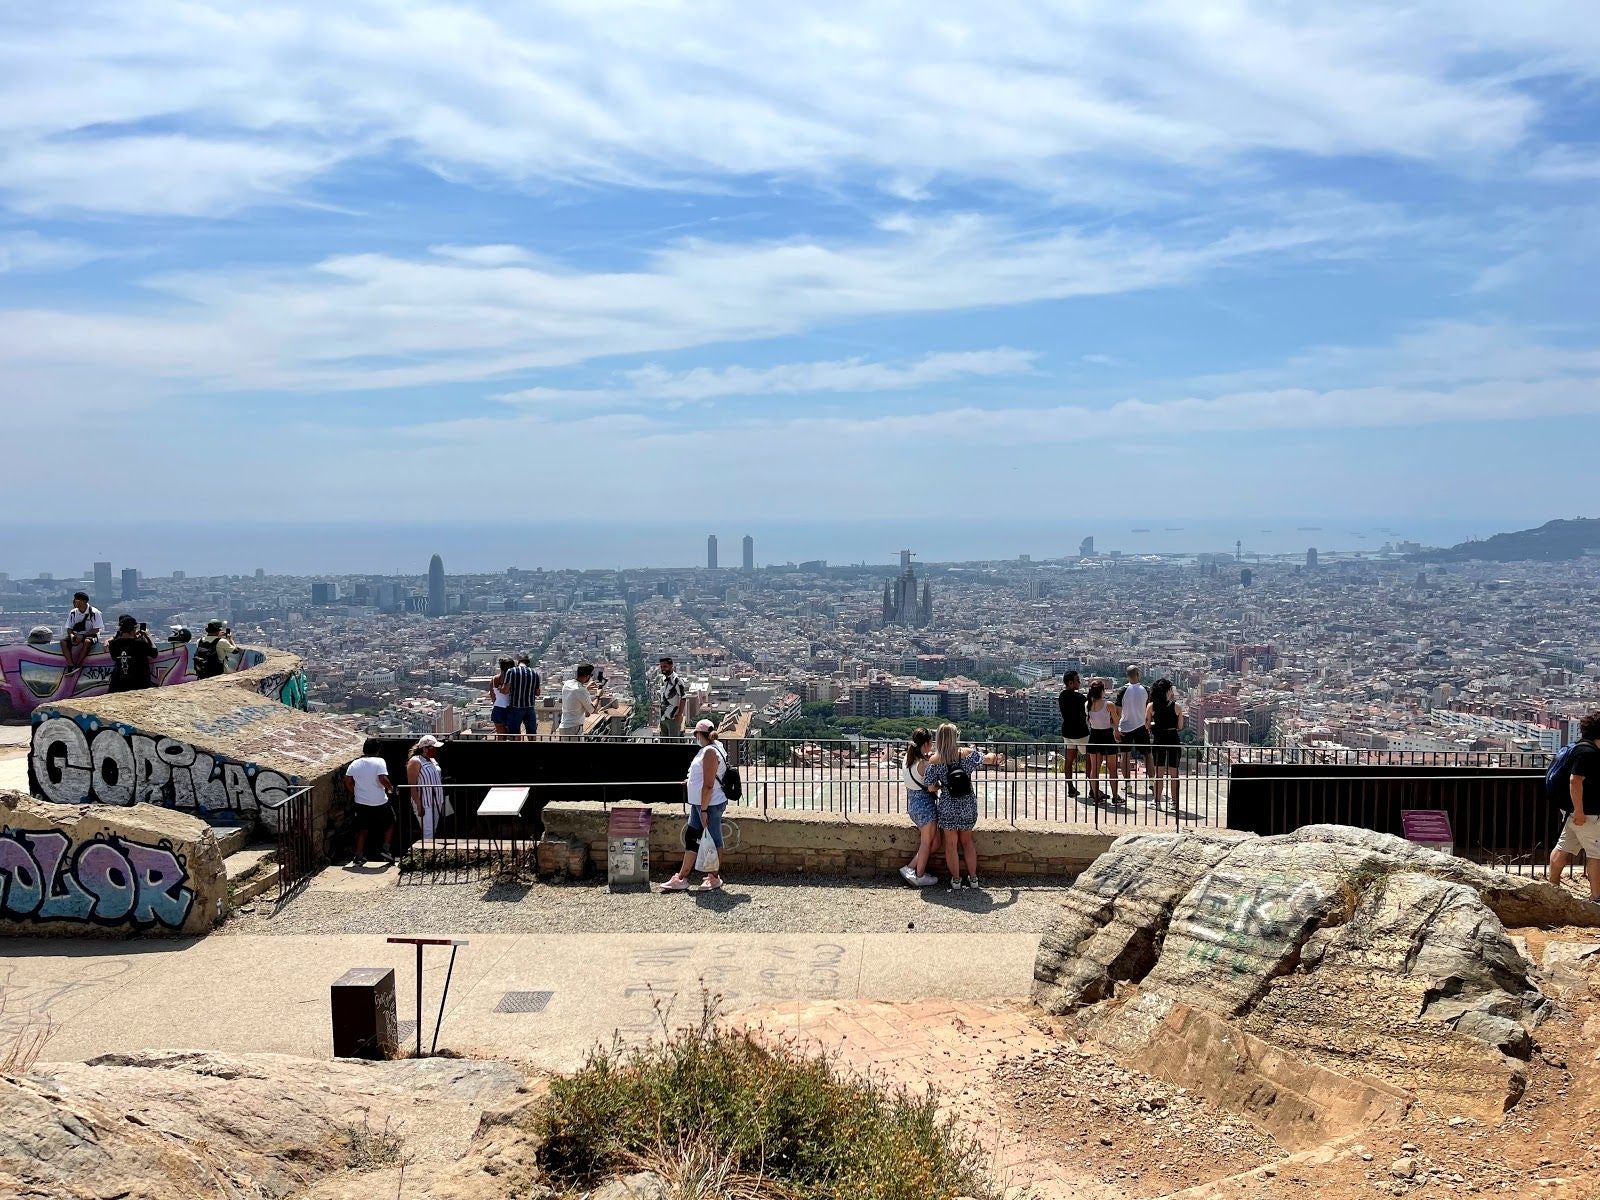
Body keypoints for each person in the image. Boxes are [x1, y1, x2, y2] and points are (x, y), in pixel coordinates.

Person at [921, 723, 1004, 891]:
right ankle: (973, 879)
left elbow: (930, 786)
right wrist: (996, 756)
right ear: (955, 737)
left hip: (947, 806)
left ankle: (956, 880)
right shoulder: (967, 754)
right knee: (967, 842)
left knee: (951, 845)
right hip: (967, 804)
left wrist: (941, 786)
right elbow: (989, 759)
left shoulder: (935, 760)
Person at [661, 718, 728, 892]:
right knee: (692, 838)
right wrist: (690, 782)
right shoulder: (709, 749)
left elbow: (708, 784)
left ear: (699, 734)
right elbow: (702, 776)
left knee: (714, 839)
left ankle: (714, 877)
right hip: (700, 804)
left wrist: (704, 809)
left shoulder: (710, 752)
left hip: (709, 804)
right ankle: (682, 877)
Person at [1550, 711, 1600, 901]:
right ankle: (1597, 898)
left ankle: (1552, 890)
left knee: (1563, 848)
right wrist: (1580, 811)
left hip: (1576, 812)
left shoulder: (1580, 748)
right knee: (1597, 854)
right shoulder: (1588, 753)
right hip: (1587, 814)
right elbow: (1575, 781)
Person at [898, 727, 940, 887]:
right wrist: (939, 785)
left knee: (934, 842)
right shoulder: (923, 764)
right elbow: (931, 787)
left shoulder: (907, 759)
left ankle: (910, 868)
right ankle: (919, 874)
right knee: (926, 842)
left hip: (913, 804)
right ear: (928, 743)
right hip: (925, 805)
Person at [344, 753, 395, 865]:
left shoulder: (355, 763)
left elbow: (348, 781)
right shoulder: (379, 761)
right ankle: (386, 849)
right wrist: (390, 788)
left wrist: (355, 792)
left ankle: (358, 856)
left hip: (361, 802)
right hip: (380, 801)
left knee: (362, 829)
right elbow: (382, 778)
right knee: (390, 823)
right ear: (377, 750)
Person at [1146, 678, 1185, 808]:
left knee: (1159, 773)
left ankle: (1156, 801)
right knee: (1174, 774)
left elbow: (1147, 724)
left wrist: (1155, 724)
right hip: (1173, 739)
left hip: (1159, 740)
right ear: (1168, 691)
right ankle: (1174, 802)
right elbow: (1180, 726)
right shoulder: (1177, 707)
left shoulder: (1151, 706)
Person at [1114, 666, 1151, 796]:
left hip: (1125, 727)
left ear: (1127, 675)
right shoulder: (1146, 689)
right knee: (1147, 754)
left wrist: (1116, 728)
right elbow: (1150, 709)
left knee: (1125, 756)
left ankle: (1127, 784)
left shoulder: (1122, 690)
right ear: (1138, 674)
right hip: (1142, 726)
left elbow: (1117, 712)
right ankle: (1152, 782)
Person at [406, 734, 447, 841]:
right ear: (425, 748)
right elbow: (412, 785)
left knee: (433, 829)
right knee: (427, 831)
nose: (436, 750)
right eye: (433, 748)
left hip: (436, 800)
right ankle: (425, 854)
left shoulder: (433, 760)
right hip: (424, 801)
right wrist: (419, 805)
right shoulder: (415, 761)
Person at [1086, 679, 1120, 803]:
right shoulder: (1108, 704)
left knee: (1094, 769)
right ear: (1101, 691)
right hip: (1107, 736)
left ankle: (1096, 796)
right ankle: (1115, 796)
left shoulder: (1087, 704)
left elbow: (1090, 721)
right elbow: (1116, 721)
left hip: (1094, 736)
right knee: (1112, 769)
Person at [1058, 670, 1089, 799]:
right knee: (1091, 758)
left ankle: (1070, 787)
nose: (1079, 682)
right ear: (1071, 683)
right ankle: (1093, 788)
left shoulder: (1062, 696)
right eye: (1077, 680)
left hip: (1067, 732)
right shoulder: (1081, 698)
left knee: (1069, 760)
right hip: (1081, 732)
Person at [107, 615, 157, 693]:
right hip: (139, 684)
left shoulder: (113, 644)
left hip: (118, 684)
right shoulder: (140, 643)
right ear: (132, 630)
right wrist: (148, 637)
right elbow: (154, 654)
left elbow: (114, 657)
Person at [61, 592, 103, 670]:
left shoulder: (94, 613)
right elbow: (69, 628)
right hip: (77, 634)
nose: (73, 602)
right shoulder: (73, 612)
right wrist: (72, 636)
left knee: (87, 642)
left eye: (75, 600)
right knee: (63, 642)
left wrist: (83, 635)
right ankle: (70, 665)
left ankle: (78, 664)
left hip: (91, 635)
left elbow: (96, 629)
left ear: (83, 601)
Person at [502, 654, 540, 739]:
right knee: (532, 734)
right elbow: (537, 693)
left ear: (518, 662)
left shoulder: (511, 671)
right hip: (530, 707)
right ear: (528, 663)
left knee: (514, 734)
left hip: (516, 707)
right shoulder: (534, 673)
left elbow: (506, 690)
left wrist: (500, 689)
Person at [558, 664, 600, 739]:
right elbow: (592, 710)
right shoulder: (581, 690)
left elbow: (575, 695)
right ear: (587, 676)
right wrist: (598, 695)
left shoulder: (567, 684)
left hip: (564, 726)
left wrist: (586, 688)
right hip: (574, 728)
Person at [656, 656, 688, 741]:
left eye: (665, 666)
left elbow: (683, 697)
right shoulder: (663, 679)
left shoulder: (677, 680)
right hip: (663, 717)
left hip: (673, 718)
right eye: (661, 667)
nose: (663, 669)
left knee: (673, 743)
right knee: (664, 743)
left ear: (671, 666)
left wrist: (679, 715)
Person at [488, 656, 514, 738]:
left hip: (497, 708)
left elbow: (492, 695)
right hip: (510, 709)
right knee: (512, 736)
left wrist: (496, 702)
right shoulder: (513, 680)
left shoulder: (494, 679)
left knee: (500, 736)